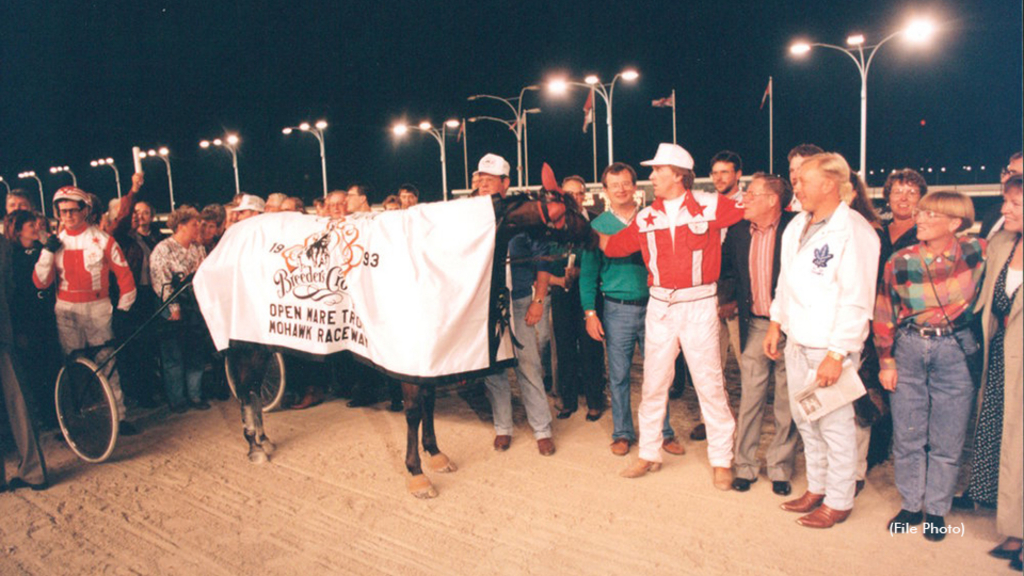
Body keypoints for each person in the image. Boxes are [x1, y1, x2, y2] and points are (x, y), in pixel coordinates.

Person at [598, 143, 743, 487]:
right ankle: (649, 453)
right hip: (660, 305)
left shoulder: (711, 205)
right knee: (653, 383)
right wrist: (582, 227)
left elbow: (757, 210)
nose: (650, 177)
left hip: (699, 303)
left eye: (657, 171)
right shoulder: (647, 215)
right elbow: (615, 247)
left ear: (678, 175)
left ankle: (722, 460)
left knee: (709, 384)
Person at [764, 152, 880, 528]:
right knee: (806, 419)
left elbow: (857, 299)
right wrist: (775, 323)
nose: (794, 185)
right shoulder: (797, 224)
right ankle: (817, 486)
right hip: (797, 341)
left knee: (835, 424)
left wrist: (838, 353)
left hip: (829, 347)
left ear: (829, 184)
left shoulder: (854, 230)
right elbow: (785, 281)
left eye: (802, 180)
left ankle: (840, 499)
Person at [874, 191, 985, 541]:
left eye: (931, 215)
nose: (920, 218)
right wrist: (886, 361)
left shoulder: (978, 251)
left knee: (948, 437)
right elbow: (883, 311)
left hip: (955, 350)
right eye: (921, 213)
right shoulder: (900, 260)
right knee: (908, 434)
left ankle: (936, 509)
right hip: (908, 349)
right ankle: (910, 504)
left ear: (955, 223)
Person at [580, 163, 682, 456]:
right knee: (620, 375)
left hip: (655, 307)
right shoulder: (597, 228)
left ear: (636, 188)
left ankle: (663, 432)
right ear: (605, 192)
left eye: (627, 183)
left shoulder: (653, 220)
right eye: (615, 185)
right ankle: (622, 432)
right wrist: (590, 312)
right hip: (617, 310)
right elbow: (588, 275)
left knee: (659, 373)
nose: (622, 189)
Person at [33, 186, 139, 435]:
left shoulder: (103, 239)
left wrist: (123, 310)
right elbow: (40, 282)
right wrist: (48, 251)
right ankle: (74, 419)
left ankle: (119, 416)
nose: (67, 216)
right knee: (72, 367)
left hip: (98, 309)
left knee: (106, 362)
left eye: (72, 211)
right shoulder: (54, 243)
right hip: (67, 311)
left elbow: (126, 279)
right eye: (62, 212)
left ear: (86, 210)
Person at [719, 173, 799, 496]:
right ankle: (746, 466)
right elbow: (726, 270)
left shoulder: (795, 229)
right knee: (750, 397)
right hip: (754, 325)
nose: (744, 200)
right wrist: (727, 300)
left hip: (792, 329)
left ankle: (780, 467)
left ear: (772, 200)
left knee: (786, 400)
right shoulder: (739, 231)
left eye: (751, 194)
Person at [477, 153, 556, 456]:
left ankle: (542, 429)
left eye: (490, 179)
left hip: (520, 299)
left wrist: (539, 299)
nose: (483, 184)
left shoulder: (525, 215)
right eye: (480, 179)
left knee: (529, 366)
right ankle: (503, 427)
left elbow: (543, 260)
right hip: (485, 304)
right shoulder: (471, 215)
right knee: (493, 368)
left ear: (505, 183)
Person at [965, 174, 1022, 569]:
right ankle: (1016, 531)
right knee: (1009, 444)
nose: (1004, 210)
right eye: (1006, 202)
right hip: (1002, 359)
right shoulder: (1002, 243)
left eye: (1015, 205)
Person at [550, 175, 605, 421]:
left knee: (591, 347)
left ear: (585, 196)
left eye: (579, 193)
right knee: (564, 348)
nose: (574, 198)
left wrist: (581, 271)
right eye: (569, 194)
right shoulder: (553, 223)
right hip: (562, 293)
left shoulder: (595, 222)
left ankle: (595, 400)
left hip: (589, 294)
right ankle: (568, 401)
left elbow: (604, 261)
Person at [3, 210, 60, 429]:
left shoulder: (40, 249)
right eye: (30, 226)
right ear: (18, 231)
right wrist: (19, 330)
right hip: (27, 322)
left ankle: (56, 414)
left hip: (46, 316)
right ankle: (45, 417)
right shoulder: (12, 256)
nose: (36, 229)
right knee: (36, 371)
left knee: (52, 365)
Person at [1, 234, 49, 492]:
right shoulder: (3, 244)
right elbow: (9, 289)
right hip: (3, 330)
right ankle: (34, 471)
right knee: (17, 401)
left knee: (17, 401)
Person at [150, 206, 209, 412]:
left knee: (195, 351)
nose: (198, 229)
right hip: (172, 303)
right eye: (194, 225)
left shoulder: (198, 249)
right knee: (173, 355)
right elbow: (161, 280)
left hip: (194, 304)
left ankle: (195, 395)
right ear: (181, 226)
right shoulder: (163, 249)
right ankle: (177, 399)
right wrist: (172, 307)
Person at [786, 144, 825, 211]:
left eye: (800, 169)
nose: (794, 176)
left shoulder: (830, 206)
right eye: (792, 170)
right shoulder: (782, 205)